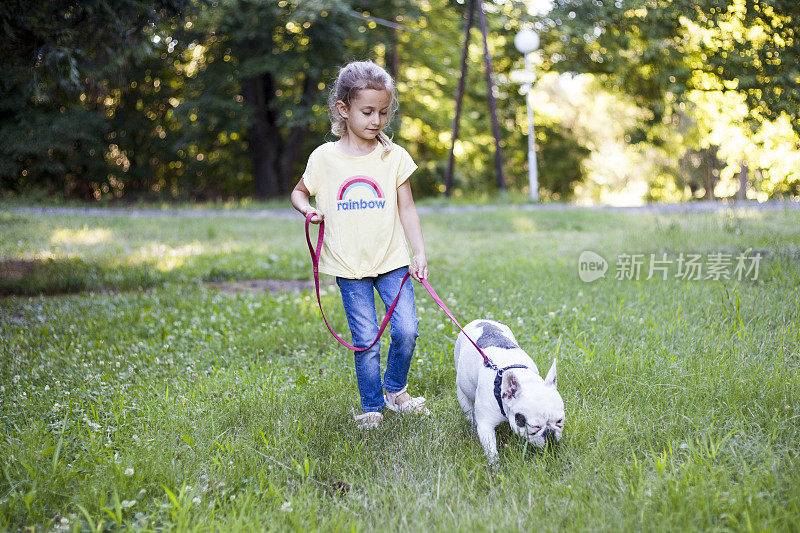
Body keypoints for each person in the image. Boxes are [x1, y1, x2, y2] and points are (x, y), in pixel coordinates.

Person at [290, 60, 429, 429]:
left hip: (393, 261)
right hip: (348, 267)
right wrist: (307, 211)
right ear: (343, 110)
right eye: (367, 112)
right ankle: (372, 407)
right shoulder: (324, 158)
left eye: (384, 112)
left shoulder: (393, 156)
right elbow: (299, 193)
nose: (377, 120)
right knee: (366, 339)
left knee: (407, 329)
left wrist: (418, 252)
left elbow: (408, 209)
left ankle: (395, 390)